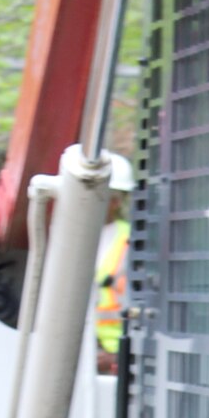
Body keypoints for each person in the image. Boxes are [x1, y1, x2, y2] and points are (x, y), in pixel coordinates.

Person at [95, 153, 133, 369]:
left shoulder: (132, 241)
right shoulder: (63, 237)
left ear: (116, 201)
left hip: (115, 358)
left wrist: (117, 357)